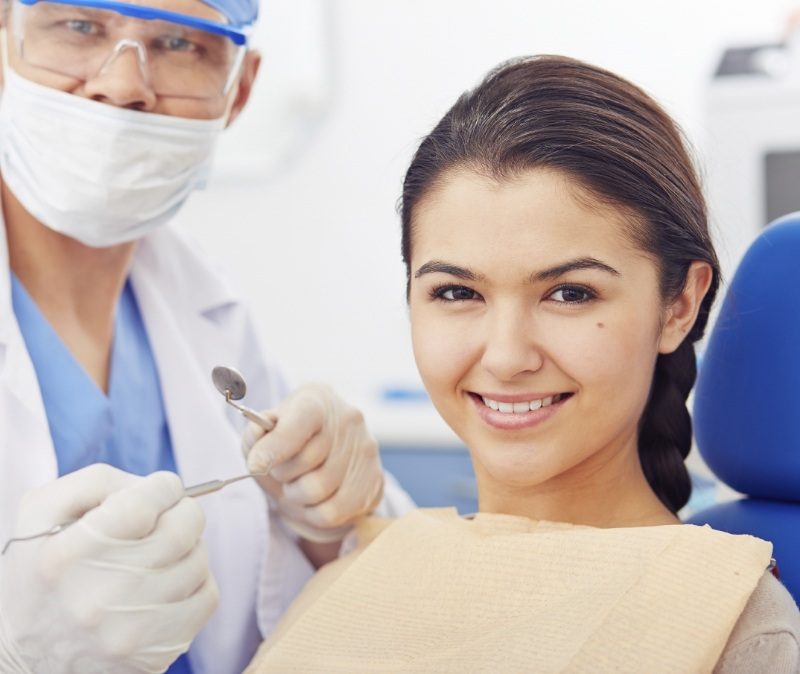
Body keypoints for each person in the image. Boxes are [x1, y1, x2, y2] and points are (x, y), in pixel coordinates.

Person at [245, 55, 800, 673]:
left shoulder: (731, 628)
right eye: (457, 293)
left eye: (570, 293)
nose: (506, 357)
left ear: (678, 305)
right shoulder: (346, 580)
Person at [0, 0, 413, 672]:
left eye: (178, 44)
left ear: (239, 90)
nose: (124, 82)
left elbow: (337, 621)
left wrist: (328, 524)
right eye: (80, 26)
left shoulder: (207, 309)